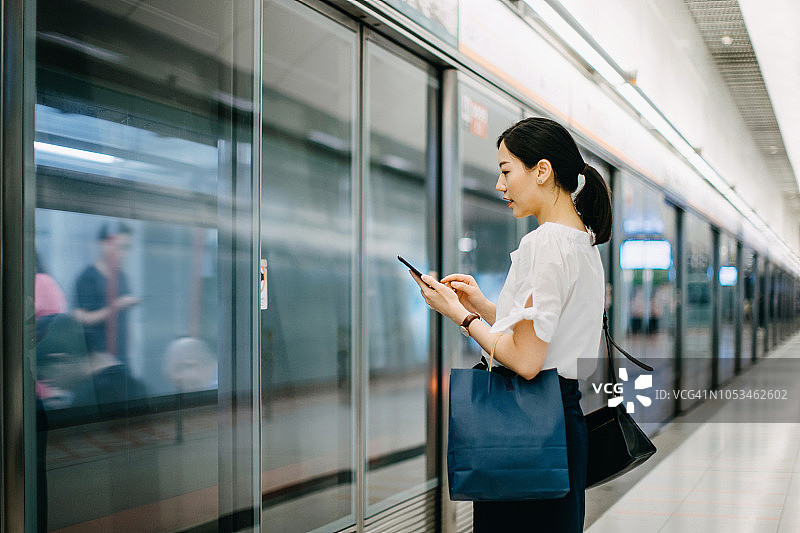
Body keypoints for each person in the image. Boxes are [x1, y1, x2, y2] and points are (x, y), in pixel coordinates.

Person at [409, 117, 611, 532]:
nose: (500, 186)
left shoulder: (546, 243)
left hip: (527, 426)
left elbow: (526, 360)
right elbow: (543, 334)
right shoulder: (581, 242)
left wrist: (459, 315)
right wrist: (483, 305)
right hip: (562, 419)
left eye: (506, 171)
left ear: (542, 170)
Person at [73, 221, 141, 364]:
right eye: (121, 247)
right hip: (97, 360)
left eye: (127, 248)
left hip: (121, 357)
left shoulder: (121, 277)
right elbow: (80, 318)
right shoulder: (88, 278)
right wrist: (116, 306)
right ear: (104, 244)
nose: (124, 253)